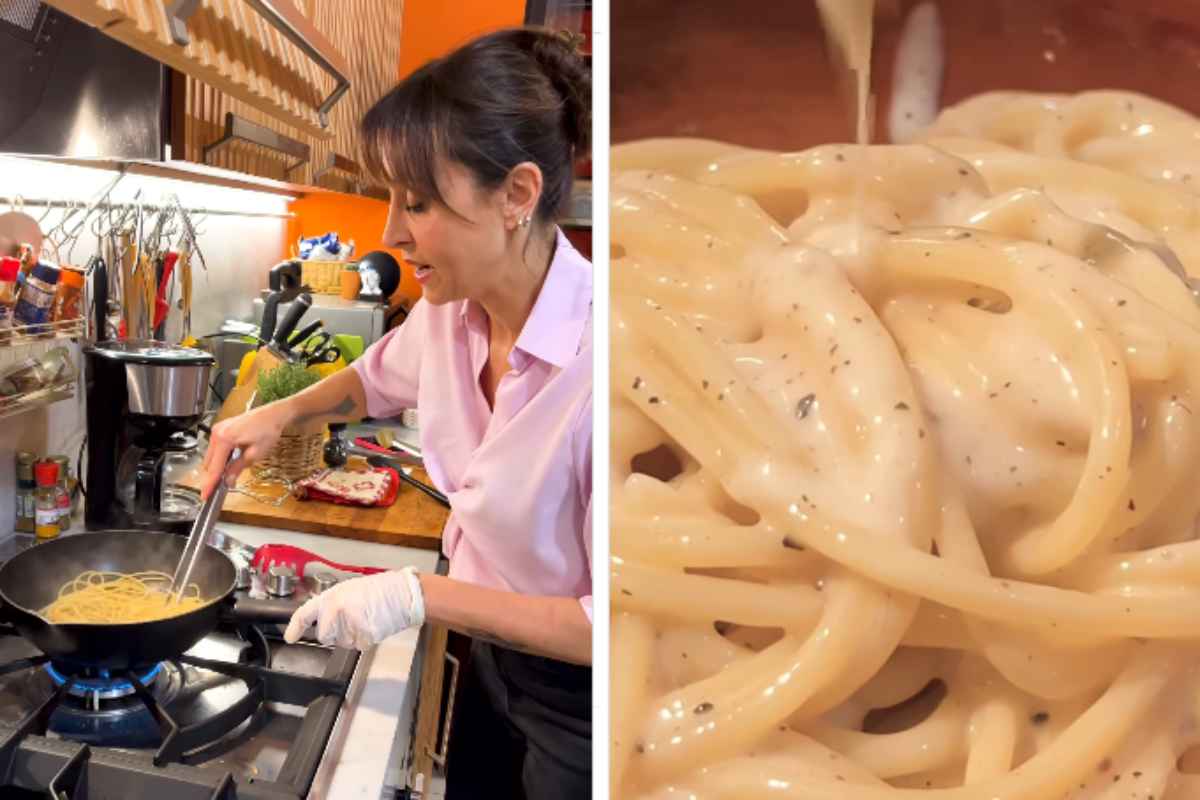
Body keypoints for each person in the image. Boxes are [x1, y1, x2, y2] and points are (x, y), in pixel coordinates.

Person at [199, 27, 592, 799]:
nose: (390, 234)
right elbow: (368, 386)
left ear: (516, 195)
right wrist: (281, 416)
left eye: (417, 202)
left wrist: (416, 594)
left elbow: (616, 623)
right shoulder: (451, 311)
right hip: (492, 663)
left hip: (585, 708)